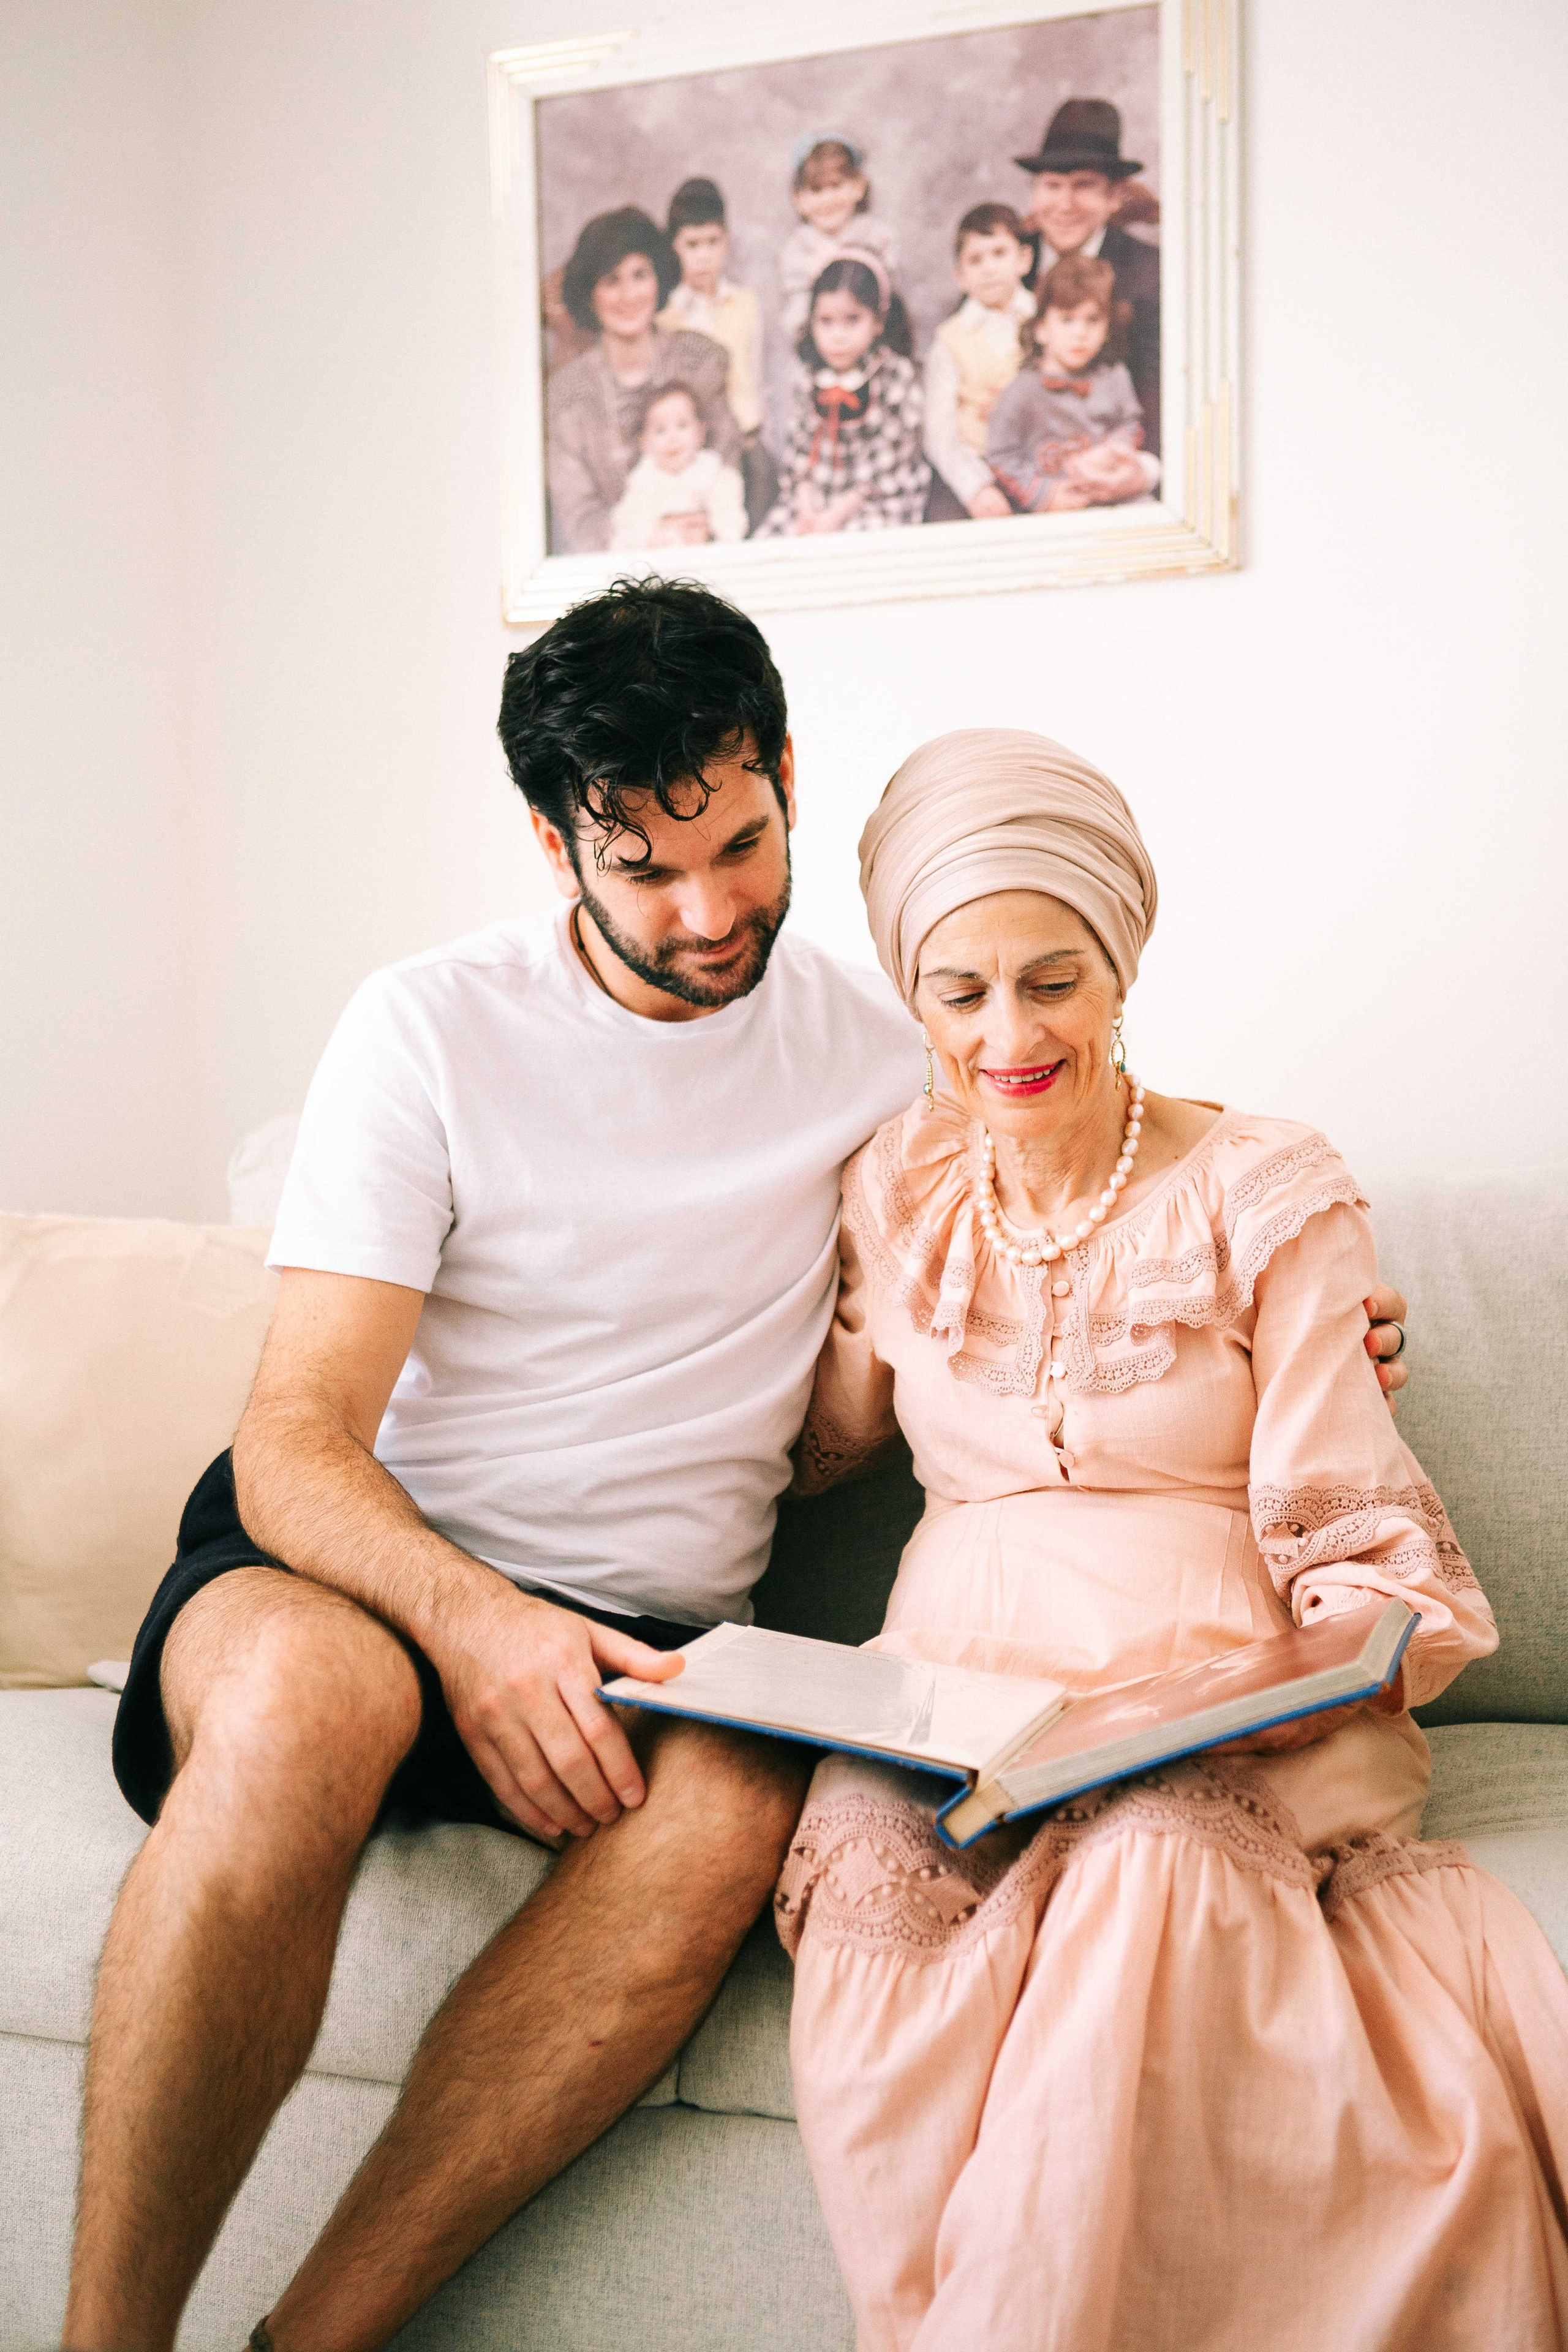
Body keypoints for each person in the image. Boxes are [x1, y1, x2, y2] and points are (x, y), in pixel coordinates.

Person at [63, 587, 1412, 2352]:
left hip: (659, 1636)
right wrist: (477, 1631)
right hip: (364, 1564)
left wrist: (1297, 1289)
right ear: (554, 842)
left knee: (733, 1817)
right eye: (647, 873)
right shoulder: (428, 1031)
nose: (711, 914)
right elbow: (297, 1438)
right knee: (311, 1708)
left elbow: (1085, 1129)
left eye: (745, 845)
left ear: (784, 773)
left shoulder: (878, 1043)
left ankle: (312, 2339)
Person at [779, 729, 1568, 2352]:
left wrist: (1334, 1658)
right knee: (864, 1917)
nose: (1009, 1034)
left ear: (1122, 962)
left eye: (1052, 979)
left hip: (1214, 1682)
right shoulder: (895, 1188)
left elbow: (1354, 1524)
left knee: (1146, 1879)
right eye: (961, 992)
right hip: (951, 1696)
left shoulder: (1268, 1185)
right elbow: (814, 1441)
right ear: (911, 1001)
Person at [545, 207, 742, 554]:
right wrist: (648, 535)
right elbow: (579, 519)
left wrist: (695, 530)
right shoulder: (566, 395)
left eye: (640, 275)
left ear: (660, 279)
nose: (629, 295)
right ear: (591, 295)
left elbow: (727, 468)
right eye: (611, 281)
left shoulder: (701, 362)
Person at [1014, 98, 1161, 456]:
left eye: (1083, 186)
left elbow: (1160, 403)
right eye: (1052, 186)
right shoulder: (1006, 264)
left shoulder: (1150, 276)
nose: (1064, 205)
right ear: (1034, 192)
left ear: (1116, 196)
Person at [756, 256, 929, 538]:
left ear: (878, 322)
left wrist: (835, 515)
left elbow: (892, 458)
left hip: (874, 498)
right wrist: (806, 504)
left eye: (852, 321)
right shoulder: (808, 376)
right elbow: (798, 447)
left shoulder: (895, 375)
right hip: (816, 495)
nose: (838, 336)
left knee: (853, 556)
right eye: (826, 322)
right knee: (772, 545)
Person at [987, 254, 1159, 513]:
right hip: (1054, 501)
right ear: (1041, 329)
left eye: (1093, 320)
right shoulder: (1022, 391)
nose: (1080, 333)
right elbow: (1002, 456)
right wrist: (1045, 496)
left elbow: (1129, 422)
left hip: (1110, 490)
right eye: (1067, 320)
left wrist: (1113, 451)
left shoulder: (1113, 375)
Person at [655, 175, 776, 530]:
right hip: (690, 454)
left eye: (713, 242)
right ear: (673, 247)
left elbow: (759, 377)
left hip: (746, 443)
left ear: (727, 241)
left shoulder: (746, 303)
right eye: (692, 245)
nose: (704, 255)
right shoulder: (666, 316)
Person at [922, 202, 1036, 522]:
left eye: (999, 253)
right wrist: (975, 487)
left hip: (1041, 460)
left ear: (1024, 260)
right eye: (976, 260)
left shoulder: (1046, 320)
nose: (988, 268)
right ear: (961, 277)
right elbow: (939, 433)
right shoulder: (949, 341)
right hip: (978, 462)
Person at [779, 134, 900, 344]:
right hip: (822, 346)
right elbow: (797, 314)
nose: (827, 199)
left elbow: (886, 298)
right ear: (799, 199)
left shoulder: (878, 238)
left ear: (858, 187)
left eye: (836, 186)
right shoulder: (797, 250)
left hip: (873, 338)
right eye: (816, 190)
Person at [609, 382, 748, 551]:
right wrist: (646, 540)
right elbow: (629, 524)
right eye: (660, 430)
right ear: (645, 443)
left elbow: (728, 512)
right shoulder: (643, 479)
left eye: (682, 426)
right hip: (657, 558)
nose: (672, 438)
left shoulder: (710, 470)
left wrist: (726, 537)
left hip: (707, 554)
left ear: (700, 433)